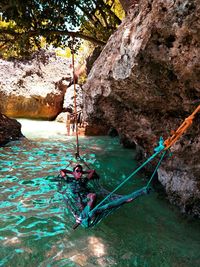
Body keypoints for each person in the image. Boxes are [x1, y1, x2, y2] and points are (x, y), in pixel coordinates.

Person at [60, 164, 98, 228]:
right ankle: (88, 215)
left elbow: (92, 171)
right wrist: (73, 173)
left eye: (81, 171)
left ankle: (81, 218)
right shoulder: (68, 179)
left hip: (85, 194)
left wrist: (82, 172)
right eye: (77, 171)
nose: (79, 172)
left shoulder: (84, 180)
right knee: (81, 205)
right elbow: (62, 170)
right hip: (76, 197)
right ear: (73, 172)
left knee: (93, 195)